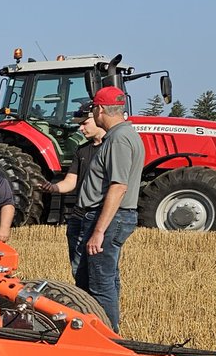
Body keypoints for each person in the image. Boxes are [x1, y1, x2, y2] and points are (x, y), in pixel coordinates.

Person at [65, 86, 143, 332]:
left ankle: (108, 336)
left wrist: (99, 230)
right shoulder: (123, 135)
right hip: (109, 216)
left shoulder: (119, 139)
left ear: (99, 110)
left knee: (100, 283)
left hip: (110, 218)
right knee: (100, 278)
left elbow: (118, 186)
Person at [37, 103, 106, 201]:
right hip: (83, 210)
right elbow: (70, 181)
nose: (80, 128)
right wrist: (53, 187)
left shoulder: (113, 146)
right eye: (79, 124)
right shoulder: (82, 150)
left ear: (97, 118)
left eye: (85, 123)